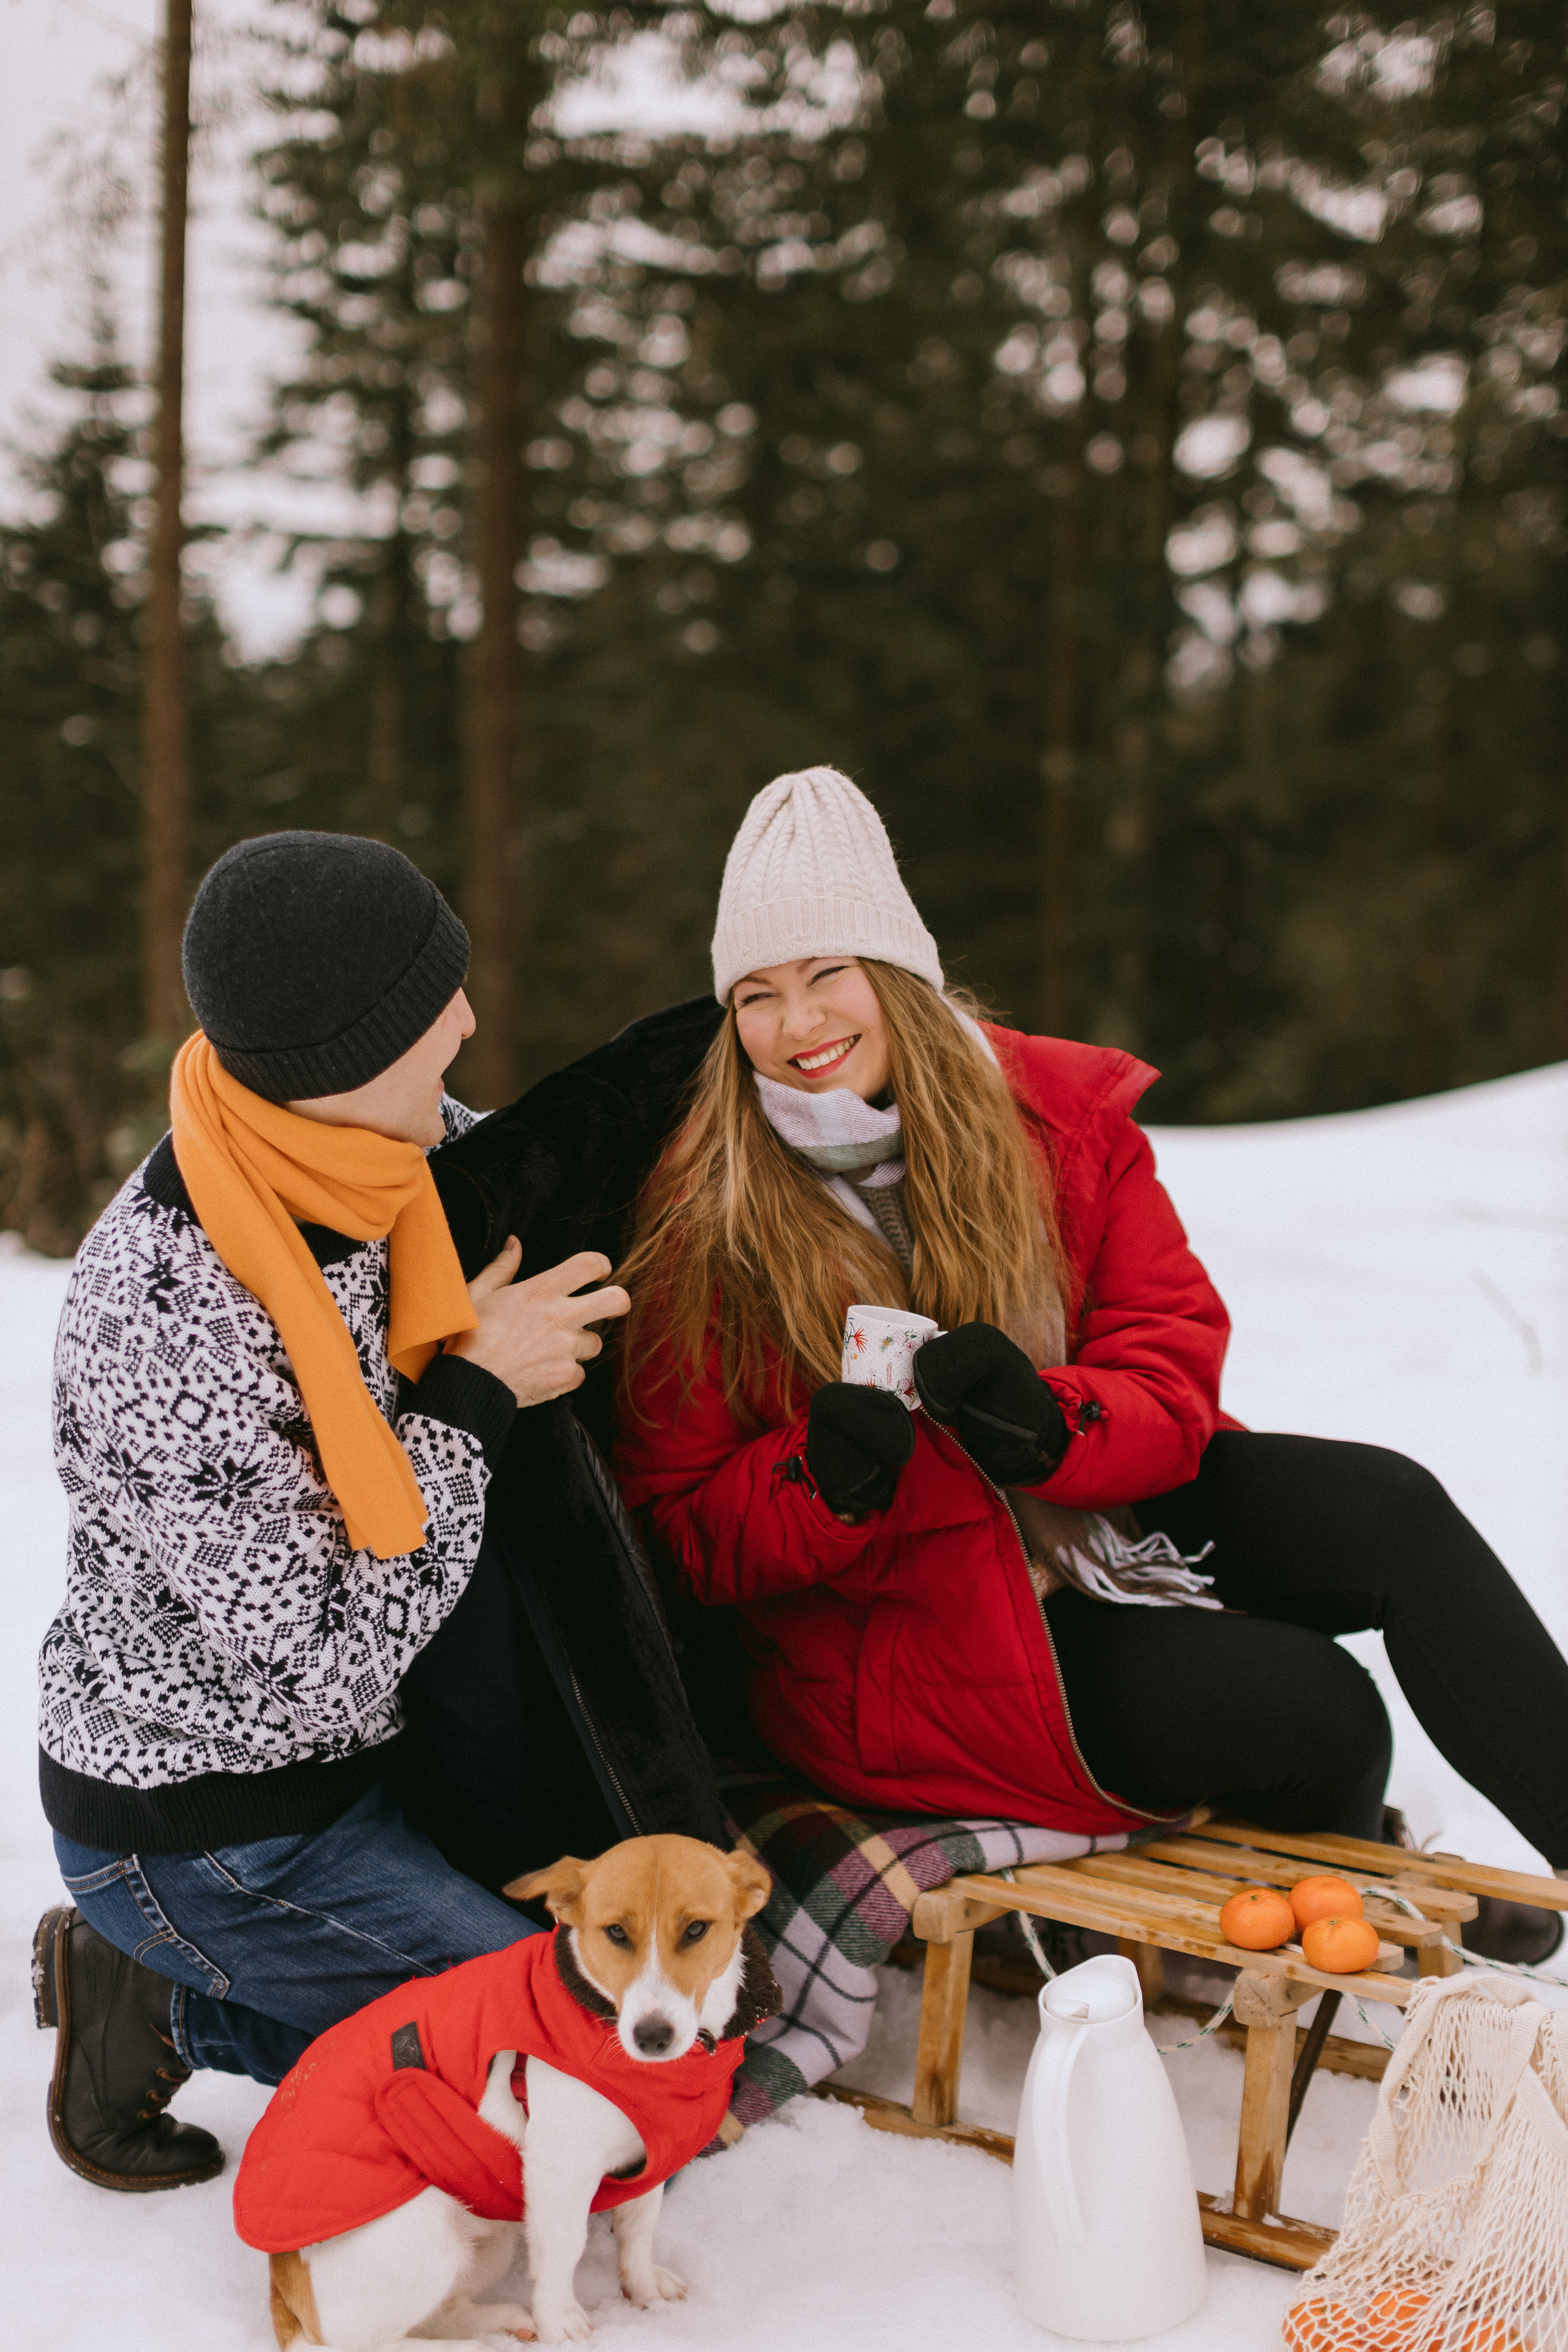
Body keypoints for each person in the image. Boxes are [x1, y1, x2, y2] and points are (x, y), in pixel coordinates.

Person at [614, 767, 1568, 1963]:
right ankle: (1327, 1887)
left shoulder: (1055, 1123)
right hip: (897, 1637)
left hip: (1089, 1514)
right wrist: (822, 1478)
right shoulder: (704, 1221)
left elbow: (1169, 1376)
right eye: (755, 995)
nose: (795, 1025)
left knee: (1389, 1506)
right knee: (1313, 1708)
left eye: (825, 975)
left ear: (893, 972)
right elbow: (679, 1531)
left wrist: (1047, 1426)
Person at [32, 831, 628, 2192]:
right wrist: (476, 1393)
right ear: (339, 1061)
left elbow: (549, 1179)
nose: (468, 1021)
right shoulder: (169, 1317)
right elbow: (316, 1665)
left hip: (374, 1766)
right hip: (214, 1820)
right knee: (578, 2096)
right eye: (434, 1008)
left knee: (581, 2068)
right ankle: (150, 1996)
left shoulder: (375, 1148)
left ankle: (346, 2017)